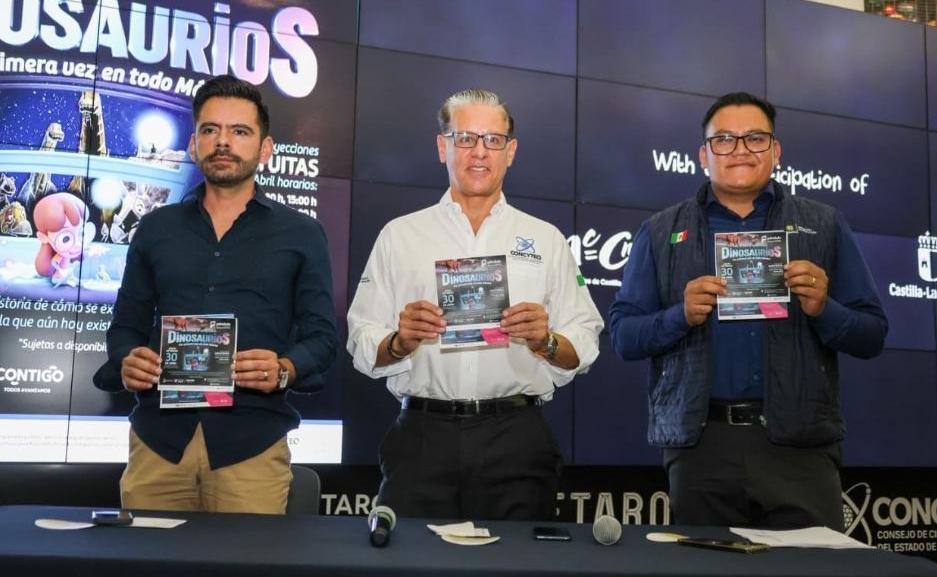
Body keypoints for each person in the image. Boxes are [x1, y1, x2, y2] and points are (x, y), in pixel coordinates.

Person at [608, 91, 888, 531]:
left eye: (755, 138)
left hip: (800, 447)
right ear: (704, 155)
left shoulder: (825, 223)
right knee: (708, 563)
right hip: (701, 447)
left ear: (775, 151)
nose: (740, 149)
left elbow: (872, 334)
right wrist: (680, 315)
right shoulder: (660, 231)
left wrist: (824, 308)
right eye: (724, 139)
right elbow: (624, 337)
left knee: (813, 566)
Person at [346, 89, 603, 521]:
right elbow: (361, 339)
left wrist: (545, 340)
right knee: (411, 557)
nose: (479, 152)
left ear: (510, 152)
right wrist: (399, 342)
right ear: (442, 146)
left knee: (517, 559)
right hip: (422, 438)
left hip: (516, 440)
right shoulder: (399, 235)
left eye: (493, 140)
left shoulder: (546, 239)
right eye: (465, 138)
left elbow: (585, 342)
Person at [93, 75, 338, 514]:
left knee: (243, 557)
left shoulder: (302, 233)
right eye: (210, 130)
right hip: (158, 444)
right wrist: (128, 359)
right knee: (145, 554)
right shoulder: (155, 228)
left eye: (239, 131)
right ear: (194, 145)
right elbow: (125, 329)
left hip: (251, 445)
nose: (223, 141)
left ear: (265, 148)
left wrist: (284, 370)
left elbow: (322, 339)